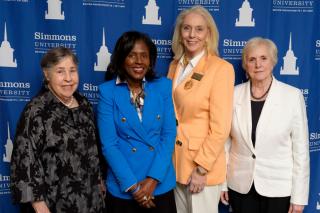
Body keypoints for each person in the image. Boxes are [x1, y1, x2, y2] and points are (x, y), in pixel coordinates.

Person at [220, 37, 310, 213]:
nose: (257, 65)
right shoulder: (233, 95)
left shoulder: (292, 96)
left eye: (263, 58)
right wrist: (223, 183)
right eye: (251, 59)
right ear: (245, 64)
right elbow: (225, 144)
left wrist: (299, 197)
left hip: (278, 188)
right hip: (240, 186)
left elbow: (301, 151)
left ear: (273, 61)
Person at [10, 47, 105, 213]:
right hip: (53, 205)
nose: (68, 78)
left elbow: (93, 151)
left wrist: (99, 181)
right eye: (60, 71)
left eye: (72, 71)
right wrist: (40, 207)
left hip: (91, 203)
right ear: (47, 75)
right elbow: (25, 163)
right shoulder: (36, 110)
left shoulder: (85, 105)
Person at [97, 31, 177, 213]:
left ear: (151, 60)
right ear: (121, 58)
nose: (138, 61)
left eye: (144, 55)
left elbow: (168, 135)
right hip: (124, 187)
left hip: (159, 185)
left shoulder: (163, 86)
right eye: (131, 55)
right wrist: (134, 188)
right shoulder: (107, 92)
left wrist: (153, 180)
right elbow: (109, 145)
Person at [167, 5, 235, 213]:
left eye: (199, 29)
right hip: (175, 165)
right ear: (180, 33)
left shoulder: (220, 69)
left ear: (208, 34)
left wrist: (202, 168)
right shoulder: (174, 66)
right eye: (187, 28)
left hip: (201, 168)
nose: (192, 35)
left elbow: (221, 127)